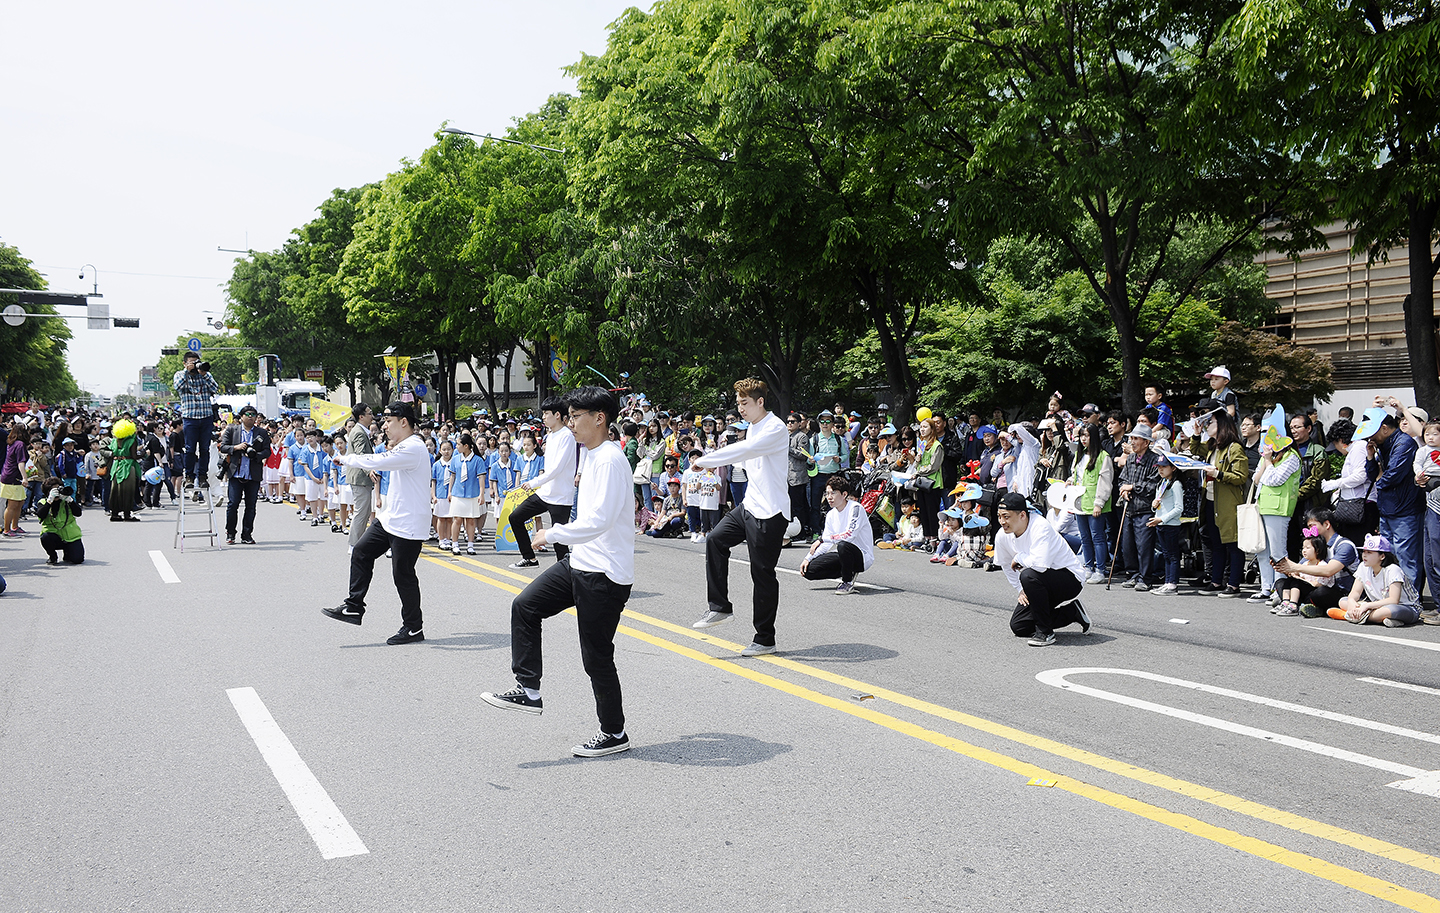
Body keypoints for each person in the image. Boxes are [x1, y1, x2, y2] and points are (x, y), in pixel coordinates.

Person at [480, 386, 638, 758]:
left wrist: (551, 533)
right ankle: (529, 690)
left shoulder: (611, 460)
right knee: (525, 606)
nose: (570, 424)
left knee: (596, 658)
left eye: (575, 416)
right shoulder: (592, 455)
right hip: (579, 563)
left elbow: (598, 522)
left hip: (604, 574)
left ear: (599, 418)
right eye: (567, 416)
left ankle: (614, 733)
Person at [689, 377, 790, 656]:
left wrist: (706, 460)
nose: (740, 409)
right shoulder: (753, 428)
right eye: (738, 404)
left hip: (770, 512)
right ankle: (719, 607)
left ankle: (765, 639)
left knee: (762, 575)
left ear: (760, 402)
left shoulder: (776, 429)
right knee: (715, 540)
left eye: (745, 403)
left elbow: (746, 451)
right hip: (749, 506)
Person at [321, 402, 433, 646]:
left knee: (403, 575)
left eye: (388, 420)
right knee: (361, 552)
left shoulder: (413, 447)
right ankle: (354, 606)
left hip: (409, 523)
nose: (384, 425)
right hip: (391, 518)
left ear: (404, 421)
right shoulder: (404, 446)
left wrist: (346, 459)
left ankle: (414, 627)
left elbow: (379, 460)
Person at [993, 491, 1091, 647]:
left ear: (1022, 515)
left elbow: (1040, 565)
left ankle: (1045, 633)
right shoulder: (1002, 536)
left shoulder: (1040, 526)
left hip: (1070, 579)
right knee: (1019, 626)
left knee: (1028, 575)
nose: (1002, 521)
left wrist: (1019, 558)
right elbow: (1005, 564)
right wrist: (1020, 590)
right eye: (999, 516)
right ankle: (1072, 612)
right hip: (1039, 582)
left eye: (1006, 516)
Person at [509, 397, 577, 569]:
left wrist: (534, 482)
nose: (544, 417)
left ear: (557, 415)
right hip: (545, 493)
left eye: (546, 413)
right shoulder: (550, 436)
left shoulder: (567, 436)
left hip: (561, 496)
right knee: (515, 517)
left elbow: (557, 469)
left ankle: (567, 579)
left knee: (559, 542)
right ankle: (530, 558)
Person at [1194, 408, 1250, 596]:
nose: (1207, 426)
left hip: (1228, 503)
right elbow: (1194, 449)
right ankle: (1216, 581)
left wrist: (1217, 474)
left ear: (1222, 425)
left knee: (1233, 544)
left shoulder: (1234, 447)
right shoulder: (1212, 447)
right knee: (1216, 543)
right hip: (1210, 500)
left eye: (1211, 422)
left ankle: (1234, 584)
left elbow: (1241, 476)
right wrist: (1195, 434)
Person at [1252, 427, 1302, 605]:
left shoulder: (1292, 457)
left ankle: (1280, 590)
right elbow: (1257, 479)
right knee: (1262, 551)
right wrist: (1267, 460)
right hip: (1263, 506)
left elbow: (1274, 480)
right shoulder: (1269, 455)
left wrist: (1267, 461)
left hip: (1279, 509)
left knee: (1277, 552)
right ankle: (1266, 587)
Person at [800, 475, 874, 594]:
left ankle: (847, 582)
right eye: (827, 493)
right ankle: (847, 569)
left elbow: (849, 536)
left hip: (862, 556)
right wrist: (808, 558)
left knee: (843, 545)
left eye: (833, 493)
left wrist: (822, 539)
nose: (829, 497)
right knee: (809, 571)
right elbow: (826, 544)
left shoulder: (855, 508)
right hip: (842, 554)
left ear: (844, 494)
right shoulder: (830, 514)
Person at [1330, 534, 1422, 626]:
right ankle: (1380, 619)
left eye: (1369, 552)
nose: (1364, 555)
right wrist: (1351, 602)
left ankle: (1348, 615)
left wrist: (1367, 606)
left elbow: (1394, 600)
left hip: (1405, 608)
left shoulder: (1393, 569)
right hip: (1376, 606)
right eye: (1364, 552)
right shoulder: (1363, 566)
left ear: (1382, 556)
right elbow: (1355, 592)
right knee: (1343, 601)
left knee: (1389, 610)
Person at [218, 405, 272, 545]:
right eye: (247, 414)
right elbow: (223, 446)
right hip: (236, 473)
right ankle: (230, 533)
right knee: (233, 504)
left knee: (251, 506)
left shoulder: (261, 432)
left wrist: (255, 455)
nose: (250, 416)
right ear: (241, 416)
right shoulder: (232, 429)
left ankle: (247, 534)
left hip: (252, 474)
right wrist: (236, 447)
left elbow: (267, 451)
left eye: (253, 414)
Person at [1117, 424, 1161, 590]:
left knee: (1144, 546)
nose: (1132, 442)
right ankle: (1133, 574)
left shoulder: (1154, 460)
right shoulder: (1130, 459)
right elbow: (1122, 480)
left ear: (1146, 442)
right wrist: (1124, 490)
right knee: (1128, 546)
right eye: (1132, 438)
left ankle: (1145, 578)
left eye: (1136, 439)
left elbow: (1153, 485)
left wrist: (1132, 487)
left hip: (1145, 509)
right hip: (1129, 508)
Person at [172, 351, 220, 490]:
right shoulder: (180, 375)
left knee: (205, 449)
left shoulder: (205, 374)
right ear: (185, 363)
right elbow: (178, 387)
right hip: (190, 417)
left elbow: (214, 388)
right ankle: (189, 476)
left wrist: (203, 374)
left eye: (196, 362)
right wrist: (188, 372)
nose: (195, 365)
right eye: (192, 362)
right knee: (190, 449)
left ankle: (202, 476)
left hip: (206, 416)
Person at [1146, 454, 1184, 595]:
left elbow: (1179, 508)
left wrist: (1162, 519)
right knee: (1166, 554)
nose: (1160, 470)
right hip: (1160, 523)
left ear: (1173, 468)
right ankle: (1167, 582)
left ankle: (1172, 584)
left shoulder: (1176, 485)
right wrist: (1154, 506)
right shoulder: (1161, 483)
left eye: (1164, 467)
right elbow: (1159, 504)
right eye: (1159, 467)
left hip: (1170, 525)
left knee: (1173, 555)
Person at [346, 403, 377, 552]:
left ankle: (358, 543)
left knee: (364, 512)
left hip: (360, 477)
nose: (372, 415)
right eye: (369, 413)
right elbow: (360, 455)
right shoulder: (359, 432)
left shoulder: (361, 430)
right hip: (359, 478)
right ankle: (353, 545)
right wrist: (369, 470)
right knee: (361, 512)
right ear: (361, 416)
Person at [37, 478, 84, 565]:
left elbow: (78, 513)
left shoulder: (66, 501)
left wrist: (70, 501)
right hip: (53, 535)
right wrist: (49, 501)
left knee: (77, 559)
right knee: (45, 537)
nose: (57, 494)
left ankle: (67, 552)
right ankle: (52, 556)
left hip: (70, 535)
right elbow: (40, 515)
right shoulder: (43, 502)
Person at [108, 418, 141, 523]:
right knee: (128, 491)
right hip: (127, 466)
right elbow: (134, 456)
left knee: (115, 490)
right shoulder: (132, 440)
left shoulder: (114, 441)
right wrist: (144, 453)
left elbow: (112, 453)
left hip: (116, 466)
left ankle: (114, 513)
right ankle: (127, 514)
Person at [2, 424, 29, 536]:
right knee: (12, 505)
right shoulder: (20, 444)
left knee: (20, 502)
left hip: (10, 475)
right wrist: (25, 478)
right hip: (13, 477)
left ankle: (15, 526)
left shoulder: (12, 443)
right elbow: (20, 463)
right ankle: (7, 530)